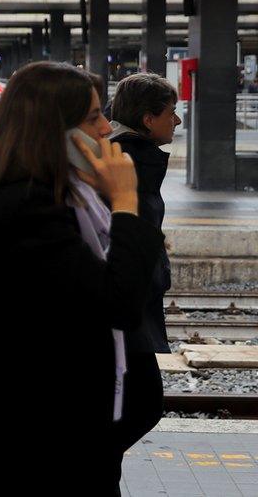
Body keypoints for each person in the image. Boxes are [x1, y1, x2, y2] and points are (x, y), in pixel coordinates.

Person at [0, 62, 164, 496]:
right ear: (55, 130)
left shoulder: (53, 197)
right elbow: (118, 301)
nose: (105, 129)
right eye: (93, 117)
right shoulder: (25, 209)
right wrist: (128, 202)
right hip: (25, 451)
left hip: (42, 438)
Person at [108, 73, 181, 471]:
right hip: (123, 307)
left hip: (128, 303)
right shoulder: (129, 160)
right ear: (149, 118)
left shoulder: (132, 155)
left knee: (131, 407)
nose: (178, 121)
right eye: (172, 112)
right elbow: (124, 236)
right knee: (144, 402)